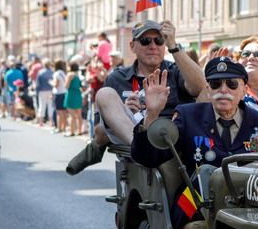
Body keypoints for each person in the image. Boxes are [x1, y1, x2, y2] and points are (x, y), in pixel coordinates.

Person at [66, 19, 206, 175]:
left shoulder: (176, 70)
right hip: (134, 135)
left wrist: (173, 46)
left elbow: (201, 87)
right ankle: (142, 148)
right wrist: (123, 113)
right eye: (145, 41)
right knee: (104, 93)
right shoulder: (117, 78)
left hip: (174, 134)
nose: (153, 46)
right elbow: (100, 130)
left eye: (159, 40)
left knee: (210, 90)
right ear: (132, 46)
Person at [132, 56, 258, 171]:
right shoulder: (188, 117)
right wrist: (152, 114)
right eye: (216, 84)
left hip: (246, 205)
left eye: (231, 84)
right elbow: (149, 159)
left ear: (244, 91)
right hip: (196, 203)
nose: (223, 90)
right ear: (208, 90)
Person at [65, 62, 85, 136]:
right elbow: (81, 87)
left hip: (71, 94)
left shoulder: (70, 75)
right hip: (78, 95)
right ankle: (79, 131)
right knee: (79, 115)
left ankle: (72, 131)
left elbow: (66, 86)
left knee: (72, 115)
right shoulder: (78, 75)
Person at [35, 59, 54, 128]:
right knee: (50, 106)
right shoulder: (51, 72)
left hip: (42, 90)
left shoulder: (40, 72)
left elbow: (37, 83)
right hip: (50, 90)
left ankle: (41, 121)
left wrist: (37, 91)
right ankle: (51, 121)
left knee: (42, 105)